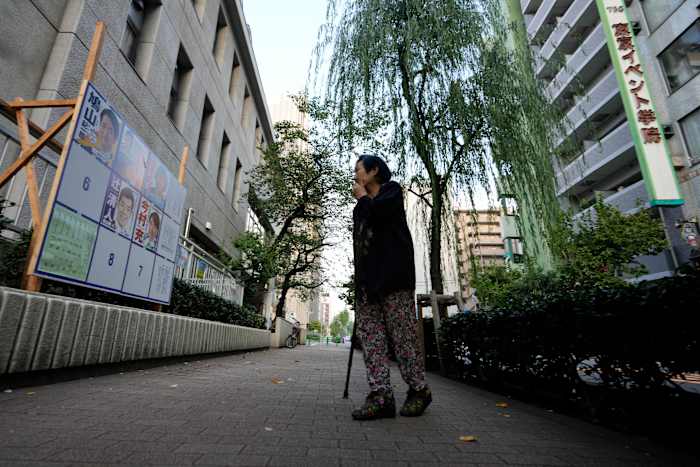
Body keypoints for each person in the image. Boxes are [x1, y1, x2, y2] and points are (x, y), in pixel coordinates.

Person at [350, 154, 432, 421]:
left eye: (358, 170)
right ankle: (381, 396)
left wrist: (363, 198)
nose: (355, 175)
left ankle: (419, 390)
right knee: (372, 341)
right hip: (368, 285)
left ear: (374, 171)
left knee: (403, 338)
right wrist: (359, 284)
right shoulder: (360, 206)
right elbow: (360, 245)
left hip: (394, 280)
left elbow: (377, 214)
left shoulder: (392, 191)